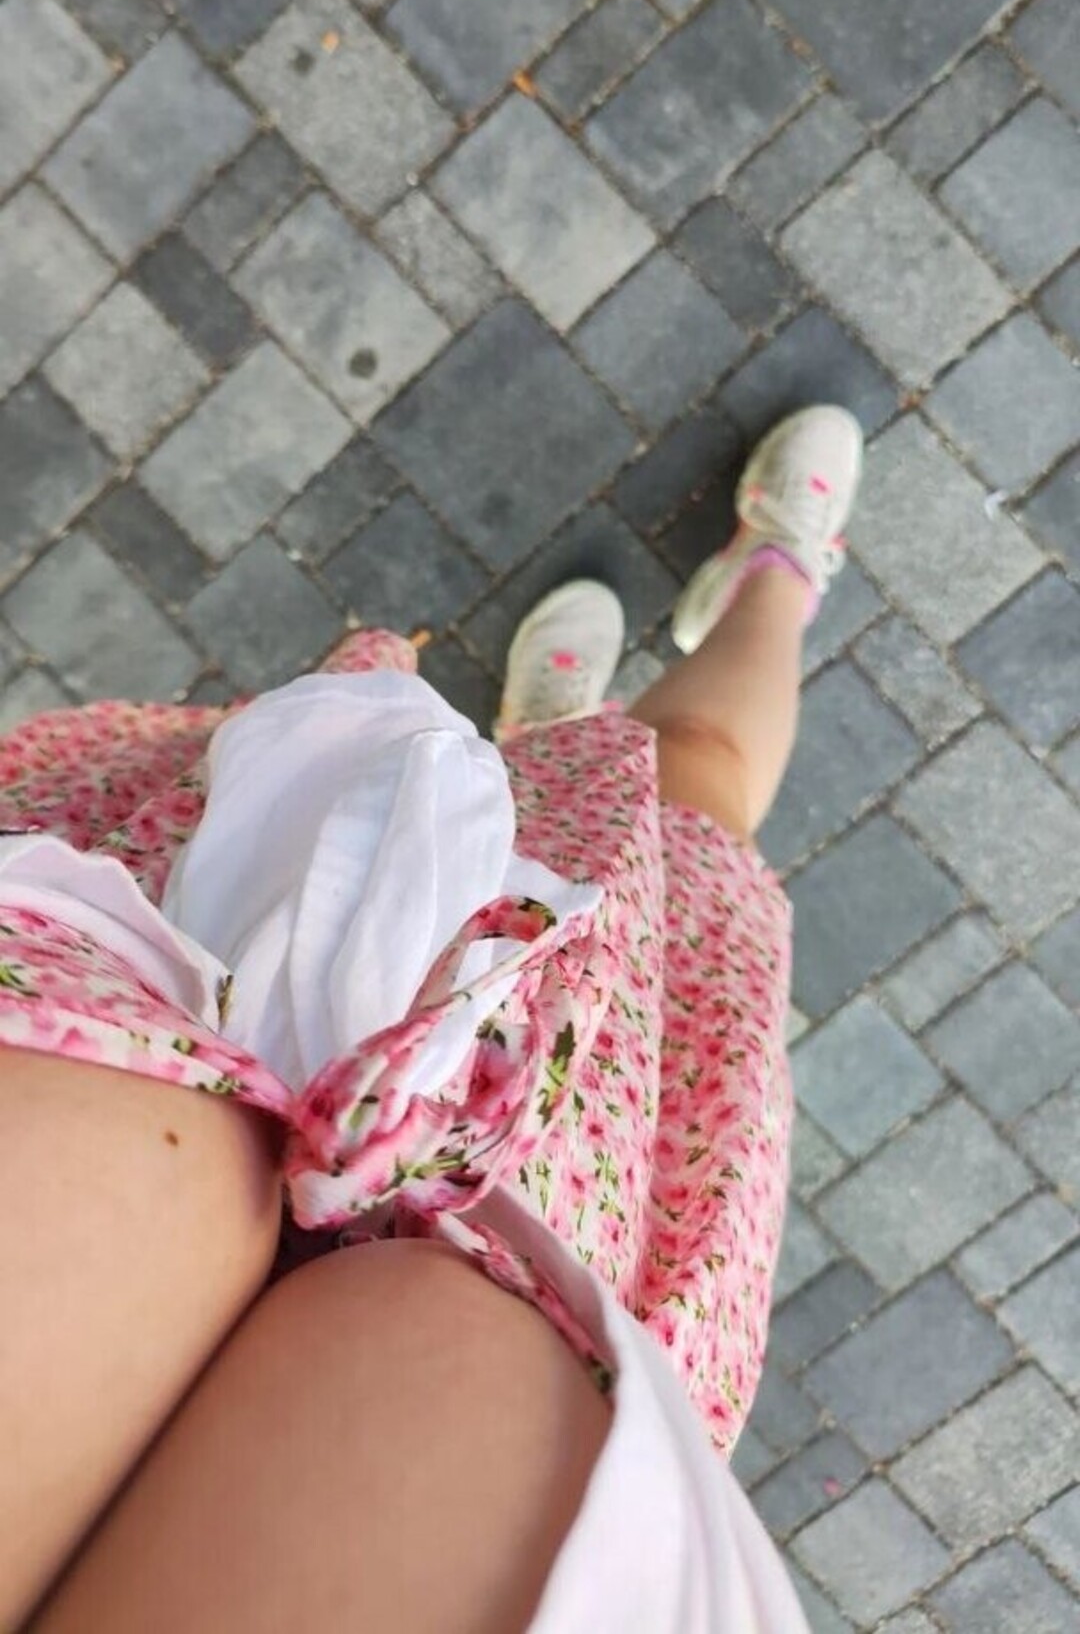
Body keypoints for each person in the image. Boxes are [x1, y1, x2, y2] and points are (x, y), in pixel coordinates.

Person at [0, 404, 862, 1631]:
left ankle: (554, 743)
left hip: (172, 988)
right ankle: (774, 581)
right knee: (699, 781)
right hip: (581, 1187)